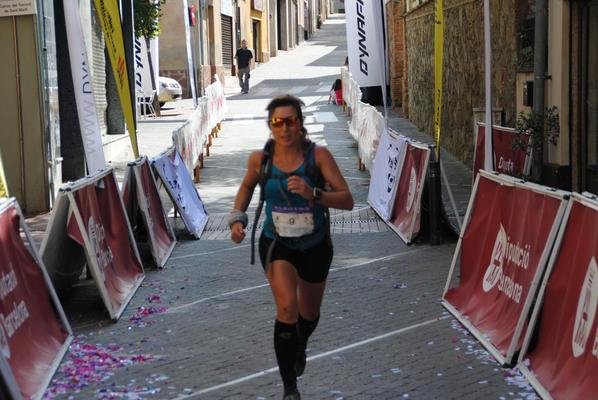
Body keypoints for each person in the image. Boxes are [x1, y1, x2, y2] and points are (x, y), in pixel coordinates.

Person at [228, 95, 354, 399]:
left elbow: (348, 200)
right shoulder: (260, 160)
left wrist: (314, 194)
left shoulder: (319, 157)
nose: (284, 128)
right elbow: (246, 186)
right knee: (287, 307)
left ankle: (300, 342)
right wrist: (237, 218)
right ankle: (289, 388)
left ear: (300, 124)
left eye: (290, 121)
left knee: (308, 314)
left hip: (314, 245)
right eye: (277, 122)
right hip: (277, 243)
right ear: (270, 126)